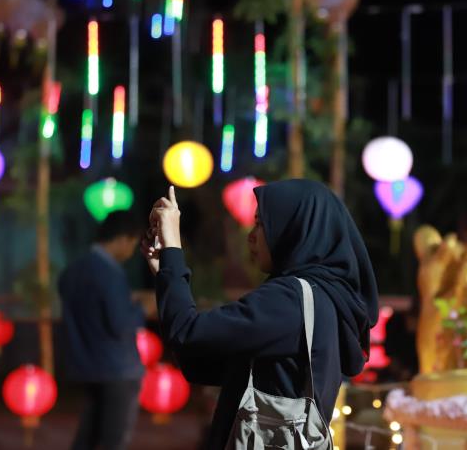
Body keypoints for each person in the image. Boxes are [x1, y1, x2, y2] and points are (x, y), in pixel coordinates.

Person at [144, 180, 379, 449]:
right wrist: (166, 273)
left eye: (261, 224)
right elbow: (204, 361)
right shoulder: (327, 297)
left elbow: (187, 333)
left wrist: (173, 248)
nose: (251, 236)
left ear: (294, 229)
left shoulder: (289, 299)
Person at [58, 210, 146, 450]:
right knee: (113, 440)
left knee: (87, 438)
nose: (130, 252)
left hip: (86, 365)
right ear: (122, 239)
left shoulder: (73, 271)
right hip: (118, 369)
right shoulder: (110, 274)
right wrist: (140, 308)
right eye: (132, 244)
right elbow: (120, 324)